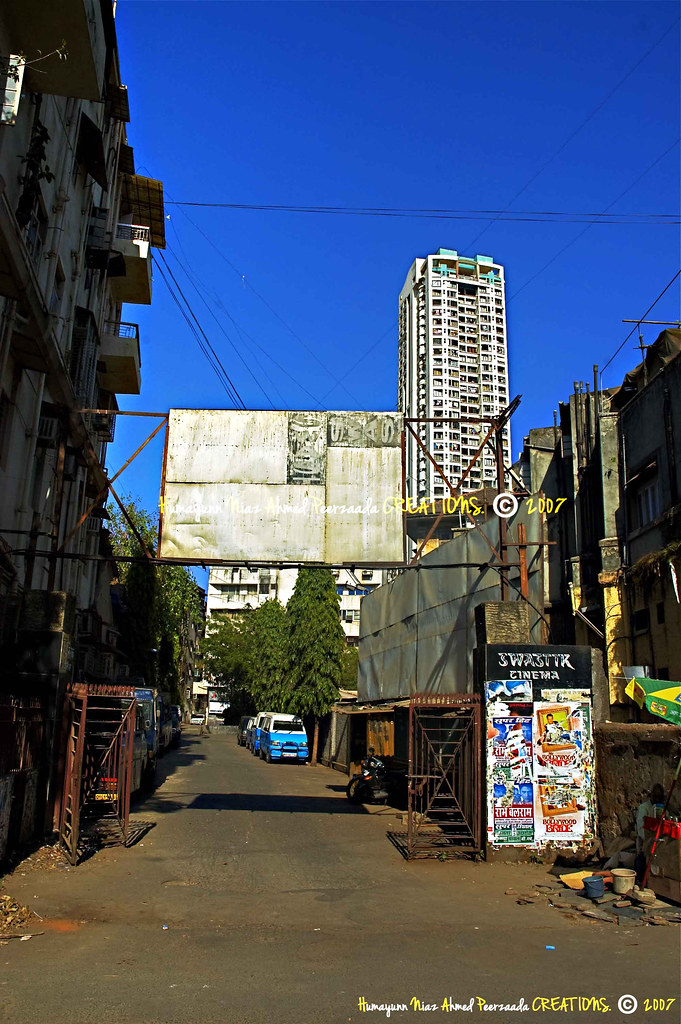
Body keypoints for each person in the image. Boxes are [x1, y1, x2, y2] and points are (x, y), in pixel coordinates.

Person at [634, 783, 665, 884]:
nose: (656, 800)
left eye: (659, 798)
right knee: (642, 855)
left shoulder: (663, 808)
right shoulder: (644, 808)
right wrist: (648, 839)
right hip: (645, 839)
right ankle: (640, 879)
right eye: (654, 797)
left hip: (657, 840)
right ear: (650, 796)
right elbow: (640, 827)